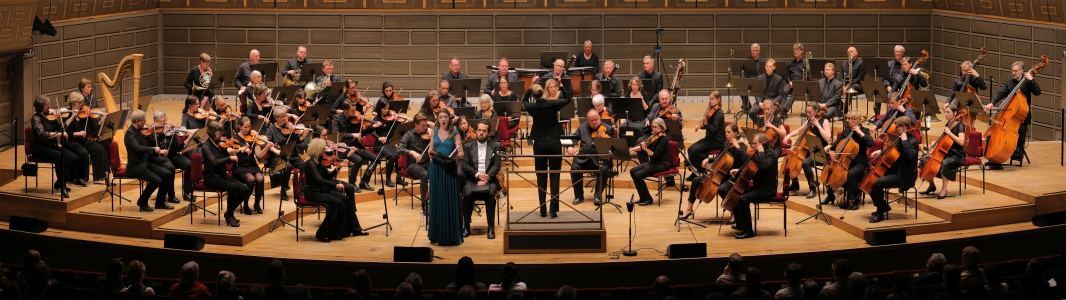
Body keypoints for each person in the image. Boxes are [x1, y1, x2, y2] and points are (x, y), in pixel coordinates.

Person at [304, 138, 367, 242]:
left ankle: (336, 232)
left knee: (345, 199)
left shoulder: (319, 161)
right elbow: (319, 180)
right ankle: (321, 233)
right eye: (322, 149)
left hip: (321, 190)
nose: (324, 152)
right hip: (313, 192)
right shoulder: (310, 163)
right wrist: (335, 186)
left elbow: (327, 177)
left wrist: (338, 168)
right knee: (338, 202)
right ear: (316, 149)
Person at [523, 82, 571, 218]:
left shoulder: (532, 107)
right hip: (555, 141)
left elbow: (524, 100)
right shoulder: (553, 103)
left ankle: (542, 209)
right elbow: (568, 98)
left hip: (539, 143)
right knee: (555, 175)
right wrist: (562, 85)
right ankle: (553, 210)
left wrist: (530, 87)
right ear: (543, 93)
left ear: (533, 95)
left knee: (541, 176)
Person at [985, 60, 1040, 169]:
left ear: (1021, 71)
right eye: (1012, 71)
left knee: (1022, 129)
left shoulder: (1028, 82)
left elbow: (1038, 92)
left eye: (1015, 71)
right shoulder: (1010, 83)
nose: (1013, 73)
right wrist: (992, 102)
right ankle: (1001, 151)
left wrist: (1031, 79)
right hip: (1009, 114)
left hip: (1022, 115)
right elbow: (1000, 94)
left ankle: (1019, 149)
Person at [684, 124, 745, 219]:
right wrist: (708, 159)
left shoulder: (741, 146)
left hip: (732, 176)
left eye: (729, 132)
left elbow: (745, 160)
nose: (726, 134)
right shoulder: (726, 144)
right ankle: (689, 209)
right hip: (720, 174)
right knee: (696, 180)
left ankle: (734, 212)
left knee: (722, 188)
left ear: (736, 133)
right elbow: (718, 158)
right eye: (725, 132)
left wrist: (737, 147)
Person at [868, 116, 919, 223]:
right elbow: (892, 151)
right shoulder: (898, 138)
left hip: (903, 174)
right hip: (893, 170)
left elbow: (910, 156)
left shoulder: (913, 141)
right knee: (870, 180)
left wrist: (905, 141)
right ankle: (883, 206)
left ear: (904, 128)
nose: (895, 129)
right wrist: (881, 152)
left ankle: (880, 212)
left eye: (897, 127)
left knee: (877, 183)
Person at [728, 132, 779, 239]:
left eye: (755, 143)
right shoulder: (757, 154)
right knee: (736, 193)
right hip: (758, 187)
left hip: (767, 190)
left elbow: (764, 166)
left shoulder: (771, 155)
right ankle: (741, 224)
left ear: (763, 144)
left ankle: (749, 231)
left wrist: (761, 152)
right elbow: (749, 164)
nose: (753, 145)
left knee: (743, 199)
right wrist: (739, 170)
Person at [202, 121, 252, 227]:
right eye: (219, 131)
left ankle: (228, 213)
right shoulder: (206, 147)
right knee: (232, 187)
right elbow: (214, 162)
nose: (222, 133)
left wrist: (235, 153)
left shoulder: (220, 143)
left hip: (222, 175)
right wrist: (229, 157)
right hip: (211, 177)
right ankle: (230, 215)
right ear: (213, 132)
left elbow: (228, 162)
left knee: (245, 190)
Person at [125, 109, 175, 211]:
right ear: (138, 122)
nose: (145, 122)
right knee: (156, 180)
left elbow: (152, 142)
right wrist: (153, 150)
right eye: (143, 120)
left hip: (146, 163)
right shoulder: (130, 134)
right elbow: (138, 149)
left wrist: (162, 134)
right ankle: (142, 200)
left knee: (168, 174)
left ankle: (160, 202)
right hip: (136, 166)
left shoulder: (141, 132)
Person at [822, 110, 873, 210]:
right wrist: (828, 146)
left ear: (858, 120)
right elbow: (837, 143)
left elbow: (870, 143)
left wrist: (859, 131)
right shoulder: (846, 131)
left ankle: (854, 200)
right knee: (828, 170)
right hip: (845, 161)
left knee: (851, 174)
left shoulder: (865, 131)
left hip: (860, 163)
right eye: (848, 118)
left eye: (851, 119)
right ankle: (830, 195)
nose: (849, 121)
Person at [29, 95, 79, 197]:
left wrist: (72, 116)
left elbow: (62, 128)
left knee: (73, 158)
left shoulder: (51, 117)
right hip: (40, 148)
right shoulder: (36, 118)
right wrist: (59, 134)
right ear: (40, 107)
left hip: (51, 146)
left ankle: (59, 182)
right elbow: (43, 134)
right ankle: (62, 187)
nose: (50, 107)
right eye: (47, 105)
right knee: (60, 157)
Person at [428, 110, 465, 245]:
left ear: (449, 118)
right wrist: (430, 154)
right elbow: (430, 149)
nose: (443, 119)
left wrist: (453, 157)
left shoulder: (455, 133)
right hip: (436, 168)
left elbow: (461, 153)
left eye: (445, 117)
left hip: (449, 168)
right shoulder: (434, 132)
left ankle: (450, 235)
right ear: (438, 119)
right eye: (441, 117)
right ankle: (436, 234)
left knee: (448, 199)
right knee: (437, 200)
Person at [782, 103, 832, 198]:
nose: (807, 114)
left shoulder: (824, 121)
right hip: (809, 150)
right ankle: (795, 183)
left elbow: (828, 138)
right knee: (790, 160)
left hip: (821, 152)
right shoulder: (809, 120)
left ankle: (812, 189)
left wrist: (818, 126)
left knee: (805, 163)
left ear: (816, 111)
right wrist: (788, 135)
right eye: (807, 112)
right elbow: (799, 131)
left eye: (810, 112)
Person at [461, 120, 500, 238]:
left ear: (488, 133)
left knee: (490, 194)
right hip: (473, 179)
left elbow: (497, 165)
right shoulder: (467, 146)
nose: (481, 133)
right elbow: (465, 165)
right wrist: (478, 175)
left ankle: (491, 227)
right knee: (467, 194)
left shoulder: (495, 146)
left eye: (484, 131)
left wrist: (486, 178)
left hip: (489, 179)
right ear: (476, 131)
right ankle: (466, 225)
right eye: (479, 130)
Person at [569, 109, 616, 206]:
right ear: (587, 120)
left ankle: (597, 196)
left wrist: (609, 148)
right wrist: (570, 146)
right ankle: (578, 196)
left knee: (604, 169)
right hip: (583, 159)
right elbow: (573, 138)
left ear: (600, 118)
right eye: (591, 120)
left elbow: (613, 146)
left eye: (596, 119)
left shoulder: (608, 129)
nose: (594, 122)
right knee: (574, 168)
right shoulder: (582, 127)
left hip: (600, 159)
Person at [921, 105, 967, 199]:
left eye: (948, 112)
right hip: (947, 152)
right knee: (924, 159)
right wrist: (934, 143)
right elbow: (945, 140)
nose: (946, 114)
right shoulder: (948, 124)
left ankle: (944, 188)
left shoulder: (960, 125)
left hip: (957, 154)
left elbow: (961, 142)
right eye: (945, 112)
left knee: (944, 163)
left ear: (955, 113)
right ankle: (931, 185)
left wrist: (949, 132)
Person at [263, 106, 309, 200]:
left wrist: (304, 134)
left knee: (305, 165)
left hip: (292, 154)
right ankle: (283, 189)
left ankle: (301, 189)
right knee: (287, 166)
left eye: (286, 116)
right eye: (283, 116)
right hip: (278, 155)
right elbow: (268, 143)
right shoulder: (271, 129)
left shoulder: (290, 127)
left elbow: (298, 140)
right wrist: (276, 150)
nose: (286, 118)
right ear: (276, 118)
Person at [64, 92, 109, 186]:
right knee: (83, 152)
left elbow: (93, 129)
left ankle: (100, 176)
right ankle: (81, 177)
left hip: (82, 141)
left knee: (99, 148)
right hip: (71, 141)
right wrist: (77, 133)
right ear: (73, 103)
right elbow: (64, 132)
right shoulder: (67, 115)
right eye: (79, 103)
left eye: (81, 102)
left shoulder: (83, 115)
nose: (81, 105)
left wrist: (101, 121)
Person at [147, 111, 191, 204]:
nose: (166, 122)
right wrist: (163, 134)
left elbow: (178, 148)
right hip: (159, 157)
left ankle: (187, 192)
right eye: (163, 121)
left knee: (188, 164)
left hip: (172, 155)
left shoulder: (171, 131)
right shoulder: (152, 132)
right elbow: (152, 146)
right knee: (170, 169)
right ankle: (171, 195)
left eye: (166, 119)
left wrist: (187, 140)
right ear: (156, 121)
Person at [331, 102, 377, 188]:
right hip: (343, 148)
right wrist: (352, 135)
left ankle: (364, 181)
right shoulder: (337, 119)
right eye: (352, 110)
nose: (355, 112)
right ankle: (352, 183)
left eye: (355, 110)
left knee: (375, 159)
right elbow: (337, 135)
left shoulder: (354, 119)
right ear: (345, 110)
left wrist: (373, 127)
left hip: (355, 146)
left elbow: (361, 134)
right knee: (358, 160)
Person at [234, 117, 272, 214]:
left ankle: (256, 204)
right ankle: (245, 204)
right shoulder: (235, 138)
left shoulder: (253, 137)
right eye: (245, 127)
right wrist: (242, 149)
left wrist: (267, 147)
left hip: (252, 165)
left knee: (260, 178)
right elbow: (232, 155)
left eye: (249, 126)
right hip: (240, 167)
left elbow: (259, 155)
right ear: (239, 126)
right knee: (251, 179)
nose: (248, 129)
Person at [629, 118, 670, 206]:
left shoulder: (664, 139)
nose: (654, 129)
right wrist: (631, 149)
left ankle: (648, 199)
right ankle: (643, 197)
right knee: (632, 171)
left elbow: (654, 155)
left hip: (662, 164)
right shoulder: (654, 137)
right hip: (653, 163)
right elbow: (642, 146)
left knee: (638, 175)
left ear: (662, 127)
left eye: (656, 127)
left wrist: (646, 149)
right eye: (653, 127)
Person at [364, 101, 404, 188]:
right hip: (379, 144)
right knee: (393, 156)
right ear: (379, 108)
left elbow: (396, 128)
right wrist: (378, 137)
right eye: (384, 108)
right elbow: (371, 131)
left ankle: (399, 177)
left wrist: (396, 120)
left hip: (389, 143)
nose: (387, 110)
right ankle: (388, 179)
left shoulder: (389, 118)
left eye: (387, 108)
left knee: (398, 153)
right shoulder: (376, 119)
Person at [397, 113, 432, 208]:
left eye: (426, 125)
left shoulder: (429, 133)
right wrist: (412, 152)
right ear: (416, 124)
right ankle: (424, 203)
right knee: (424, 175)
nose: (425, 128)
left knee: (438, 171)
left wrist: (434, 137)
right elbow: (399, 149)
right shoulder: (409, 135)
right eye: (423, 125)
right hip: (413, 165)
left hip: (427, 163)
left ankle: (435, 199)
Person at [688, 91, 725, 176]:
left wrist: (706, 123)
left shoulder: (719, 113)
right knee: (690, 149)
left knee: (694, 151)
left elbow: (714, 129)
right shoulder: (711, 111)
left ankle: (702, 172)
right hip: (709, 139)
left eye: (713, 99)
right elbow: (708, 126)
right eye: (710, 99)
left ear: (718, 100)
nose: (711, 101)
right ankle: (695, 171)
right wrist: (701, 126)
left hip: (717, 141)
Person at [747, 58, 786, 123]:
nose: (768, 68)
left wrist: (772, 103)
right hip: (761, 102)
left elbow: (780, 94)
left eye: (770, 66)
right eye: (767, 66)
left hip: (772, 101)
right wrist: (759, 102)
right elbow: (757, 92)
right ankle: (760, 123)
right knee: (751, 112)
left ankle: (770, 126)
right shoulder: (760, 78)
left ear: (774, 67)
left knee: (772, 113)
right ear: (765, 67)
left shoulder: (778, 79)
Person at [880, 45, 906, 117]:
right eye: (896, 52)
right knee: (877, 93)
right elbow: (884, 78)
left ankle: (891, 114)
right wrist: (887, 86)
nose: (897, 53)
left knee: (893, 96)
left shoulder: (904, 65)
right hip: (890, 87)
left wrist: (899, 88)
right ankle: (877, 114)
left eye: (899, 52)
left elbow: (905, 78)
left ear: (903, 53)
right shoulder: (889, 64)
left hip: (899, 87)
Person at [740, 43, 767, 110]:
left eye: (756, 50)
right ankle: (748, 107)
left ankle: (758, 105)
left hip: (759, 82)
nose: (754, 52)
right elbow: (742, 72)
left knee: (758, 92)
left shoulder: (763, 61)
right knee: (742, 90)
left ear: (759, 51)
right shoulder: (747, 61)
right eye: (753, 50)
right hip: (750, 82)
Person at [842, 47, 866, 117]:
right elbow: (841, 76)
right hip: (846, 84)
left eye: (851, 51)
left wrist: (848, 85)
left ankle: (845, 111)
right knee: (835, 87)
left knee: (850, 89)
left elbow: (860, 78)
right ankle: (841, 107)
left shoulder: (861, 63)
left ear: (856, 53)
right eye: (848, 52)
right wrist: (842, 85)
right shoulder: (844, 63)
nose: (849, 53)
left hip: (857, 84)